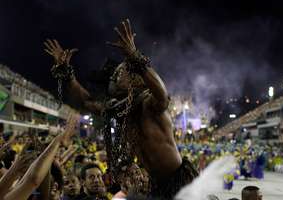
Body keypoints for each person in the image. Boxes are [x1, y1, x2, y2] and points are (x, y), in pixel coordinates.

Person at [44, 19, 198, 198]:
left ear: (135, 79)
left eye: (120, 72)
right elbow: (86, 101)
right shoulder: (119, 110)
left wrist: (134, 56)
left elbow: (162, 94)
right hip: (156, 185)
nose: (115, 76)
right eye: (115, 74)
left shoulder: (149, 104)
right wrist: (66, 72)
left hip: (178, 181)